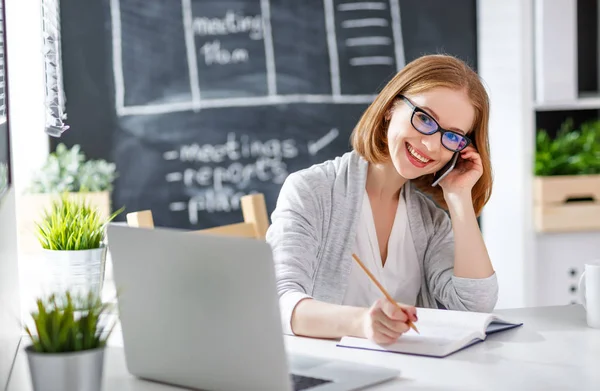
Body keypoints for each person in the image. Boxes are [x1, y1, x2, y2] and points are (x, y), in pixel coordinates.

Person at [265, 54, 498, 345]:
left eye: (452, 136)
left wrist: (459, 198)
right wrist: (362, 323)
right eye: (425, 118)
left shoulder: (431, 221)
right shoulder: (311, 191)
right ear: (390, 108)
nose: (431, 144)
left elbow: (474, 308)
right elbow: (278, 301)